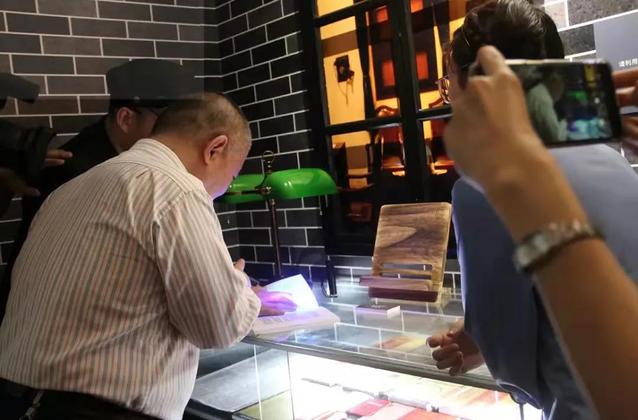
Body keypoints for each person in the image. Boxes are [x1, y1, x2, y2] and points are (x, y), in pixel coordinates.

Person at [0, 93, 296, 420]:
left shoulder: (68, 189)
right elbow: (217, 328)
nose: (227, 187)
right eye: (234, 174)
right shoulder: (177, 190)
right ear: (215, 148)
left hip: (26, 403)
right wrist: (239, 287)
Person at [428, 1, 638, 418]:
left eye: (449, 82)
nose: (449, 98)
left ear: (480, 86)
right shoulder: (610, 156)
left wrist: (482, 342)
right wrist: (481, 337)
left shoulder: (485, 185)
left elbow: (505, 349)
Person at [0, 59, 200, 321]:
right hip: (43, 320)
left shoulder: (133, 161)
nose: (180, 136)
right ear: (126, 119)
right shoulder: (78, 172)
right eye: (167, 124)